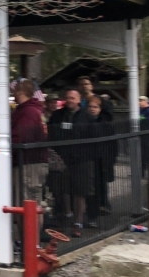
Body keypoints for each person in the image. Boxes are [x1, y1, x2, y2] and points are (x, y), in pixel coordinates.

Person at [48, 88, 97, 237]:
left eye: (72, 98)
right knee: (62, 190)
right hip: (62, 159)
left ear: (78, 99)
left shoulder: (87, 116)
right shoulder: (57, 115)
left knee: (79, 191)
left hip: (81, 159)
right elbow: (51, 133)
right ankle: (64, 219)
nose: (70, 100)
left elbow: (93, 137)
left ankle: (78, 223)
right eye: (67, 97)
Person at [11, 79, 47, 239]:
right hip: (31, 162)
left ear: (20, 91)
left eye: (14, 90)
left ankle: (30, 243)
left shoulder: (28, 112)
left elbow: (22, 137)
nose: (12, 93)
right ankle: (32, 243)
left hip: (29, 164)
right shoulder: (32, 110)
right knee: (33, 202)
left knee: (28, 203)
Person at [85, 94, 117, 228]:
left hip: (101, 159)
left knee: (99, 186)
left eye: (95, 107)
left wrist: (110, 159)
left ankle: (96, 210)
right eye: (90, 106)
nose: (92, 109)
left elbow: (112, 145)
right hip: (88, 159)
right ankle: (91, 212)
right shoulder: (84, 121)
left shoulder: (106, 124)